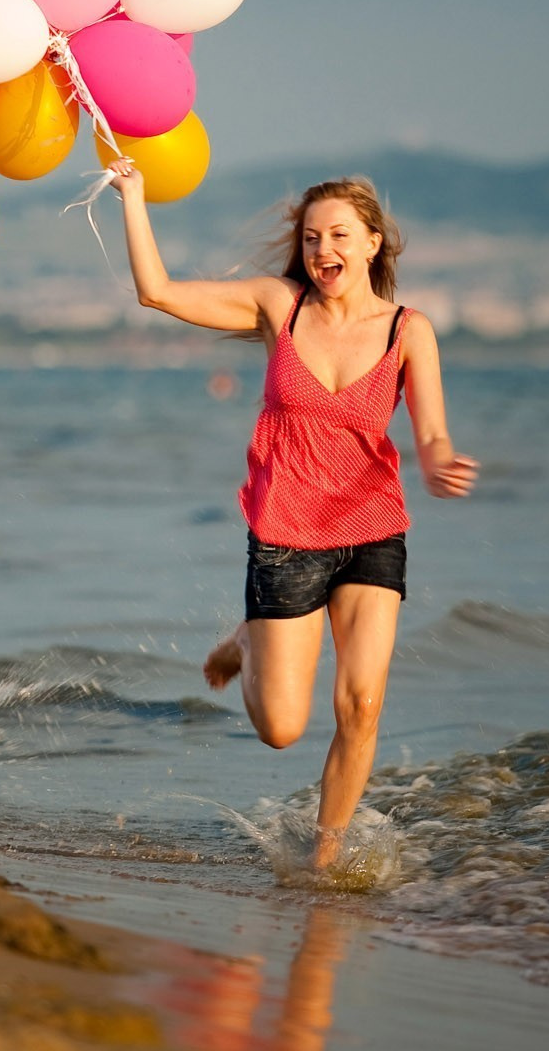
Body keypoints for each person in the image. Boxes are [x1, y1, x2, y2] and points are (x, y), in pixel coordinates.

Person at [107, 161, 476, 870]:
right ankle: (251, 636)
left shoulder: (409, 329)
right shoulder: (280, 305)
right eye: (310, 238)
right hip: (285, 536)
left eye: (338, 235)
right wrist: (133, 196)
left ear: (373, 242)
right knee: (280, 727)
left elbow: (431, 433)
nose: (321, 250)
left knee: (361, 706)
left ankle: (325, 856)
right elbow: (156, 292)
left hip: (372, 529)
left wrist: (436, 461)